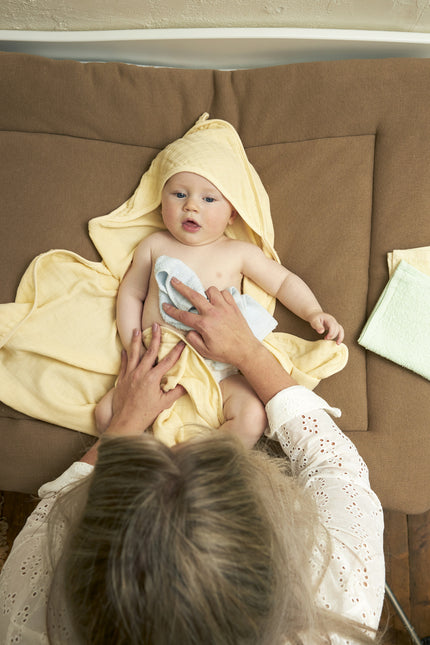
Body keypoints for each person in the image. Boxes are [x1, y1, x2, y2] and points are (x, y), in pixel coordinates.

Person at [0, 281, 384, 645]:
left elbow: (49, 513)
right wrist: (251, 353)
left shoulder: (24, 612)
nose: (175, 442)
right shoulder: (342, 595)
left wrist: (121, 427)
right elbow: (336, 465)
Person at [95, 169, 344, 447]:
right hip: (160, 361)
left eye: (209, 199)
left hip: (219, 368)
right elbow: (131, 293)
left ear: (232, 214)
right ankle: (147, 461)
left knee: (252, 416)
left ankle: (192, 461)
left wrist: (313, 311)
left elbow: (283, 281)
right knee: (105, 415)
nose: (191, 205)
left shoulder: (238, 252)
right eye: (179, 195)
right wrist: (135, 347)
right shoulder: (154, 245)